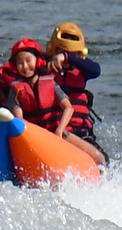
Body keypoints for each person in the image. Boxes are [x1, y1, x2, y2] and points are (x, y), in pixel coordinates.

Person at [6, 38, 106, 166]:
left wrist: (59, 131)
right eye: (20, 63)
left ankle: (102, 177)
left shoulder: (50, 82)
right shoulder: (16, 89)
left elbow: (69, 108)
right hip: (36, 136)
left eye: (28, 60)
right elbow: (19, 119)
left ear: (37, 60)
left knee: (99, 158)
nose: (25, 66)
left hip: (58, 132)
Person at [45, 21, 107, 162]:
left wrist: (67, 57)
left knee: (103, 160)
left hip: (80, 133)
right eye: (61, 52)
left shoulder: (83, 71)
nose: (64, 58)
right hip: (54, 129)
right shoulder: (44, 67)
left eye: (72, 54)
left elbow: (96, 70)